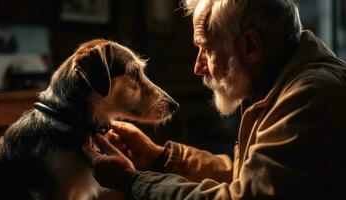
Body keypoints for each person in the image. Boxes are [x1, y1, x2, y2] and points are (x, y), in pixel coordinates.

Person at [83, 0, 346, 199]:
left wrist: (133, 182)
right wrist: (160, 158)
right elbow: (246, 177)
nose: (198, 67)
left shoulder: (309, 95)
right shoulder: (280, 82)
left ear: (250, 46)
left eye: (206, 48)